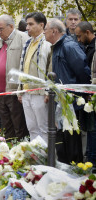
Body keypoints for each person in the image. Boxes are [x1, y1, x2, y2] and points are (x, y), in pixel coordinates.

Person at [45, 18, 91, 164]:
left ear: (54, 31)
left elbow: (83, 72)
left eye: (45, 29)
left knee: (72, 140)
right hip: (60, 101)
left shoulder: (69, 46)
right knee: (61, 139)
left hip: (71, 101)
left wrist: (79, 95)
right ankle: (64, 168)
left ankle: (74, 169)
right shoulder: (57, 47)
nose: (44, 32)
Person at [0, 15, 29, 140]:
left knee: (19, 127)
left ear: (11, 26)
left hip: (14, 92)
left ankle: (20, 154)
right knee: (7, 127)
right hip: (1, 92)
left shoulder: (23, 38)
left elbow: (25, 66)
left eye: (1, 29)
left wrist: (21, 89)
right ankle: (9, 154)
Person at [18, 12, 51, 143]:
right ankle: (35, 158)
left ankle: (46, 159)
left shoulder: (47, 43)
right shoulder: (28, 43)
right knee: (31, 128)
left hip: (40, 92)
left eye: (31, 24)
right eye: (27, 24)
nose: (27, 28)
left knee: (43, 128)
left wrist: (48, 91)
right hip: (26, 92)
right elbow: (22, 68)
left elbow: (50, 69)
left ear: (41, 25)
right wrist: (20, 90)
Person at [75, 21, 96, 165]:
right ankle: (90, 157)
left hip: (93, 93)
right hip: (89, 93)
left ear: (87, 32)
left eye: (79, 36)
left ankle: (92, 160)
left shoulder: (93, 48)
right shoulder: (88, 47)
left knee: (93, 129)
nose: (78, 39)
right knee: (90, 128)